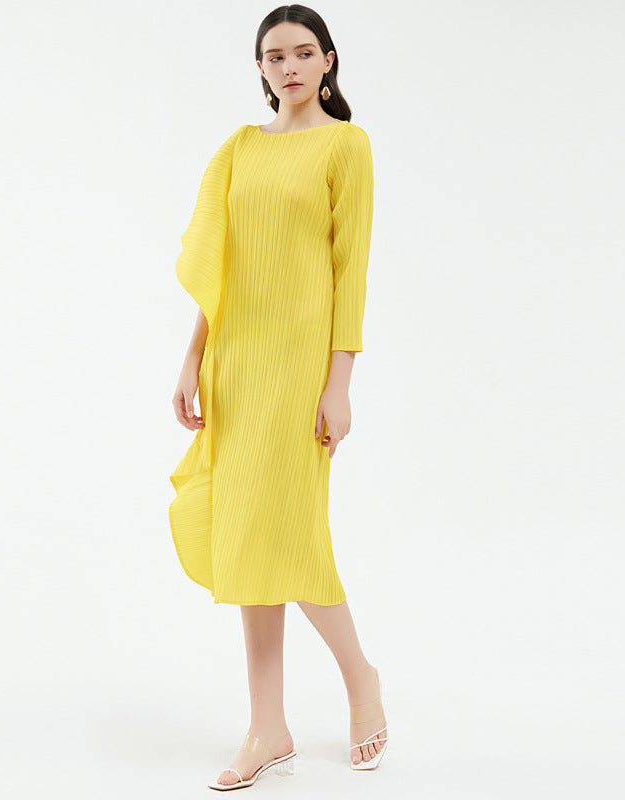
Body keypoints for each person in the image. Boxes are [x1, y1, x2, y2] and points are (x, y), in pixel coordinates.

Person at [169, 5, 387, 790]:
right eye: (275, 56)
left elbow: (351, 272)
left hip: (299, 371)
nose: (289, 66)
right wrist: (193, 357)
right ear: (260, 68)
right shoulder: (239, 149)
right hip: (236, 363)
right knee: (249, 539)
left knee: (292, 536)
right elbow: (219, 266)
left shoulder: (346, 146)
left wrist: (339, 384)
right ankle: (268, 727)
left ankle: (360, 677)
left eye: (302, 53)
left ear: (328, 60)